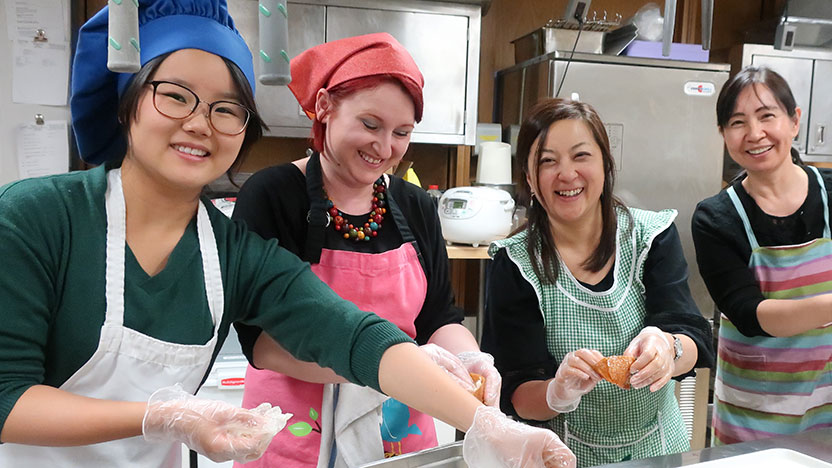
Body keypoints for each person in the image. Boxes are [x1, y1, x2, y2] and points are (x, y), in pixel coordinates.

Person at [0, 2, 576, 467]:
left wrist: (493, 427)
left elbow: (353, 336)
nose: (200, 122)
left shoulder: (228, 252)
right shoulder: (39, 218)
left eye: (228, 109)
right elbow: (6, 399)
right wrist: (158, 417)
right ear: (128, 104)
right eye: (174, 95)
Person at [230, 32, 502, 467]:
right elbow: (261, 342)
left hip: (400, 431)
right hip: (293, 437)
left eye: (402, 133)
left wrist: (469, 357)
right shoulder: (274, 195)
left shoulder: (413, 205)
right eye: (370, 124)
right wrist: (395, 362)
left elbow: (437, 318)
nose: (384, 147)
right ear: (324, 107)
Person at [481, 98, 715, 467]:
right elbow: (517, 391)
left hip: (658, 449)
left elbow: (693, 336)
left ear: (606, 165)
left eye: (581, 156)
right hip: (561, 455)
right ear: (528, 178)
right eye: (547, 161)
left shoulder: (650, 238)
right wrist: (556, 393)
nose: (567, 174)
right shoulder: (516, 264)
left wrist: (667, 348)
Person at [692, 66, 832, 446]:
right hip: (755, 416)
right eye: (737, 122)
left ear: (794, 121)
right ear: (723, 134)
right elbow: (750, 315)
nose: (755, 134)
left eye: (767, 115)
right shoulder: (716, 217)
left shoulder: (830, 192)